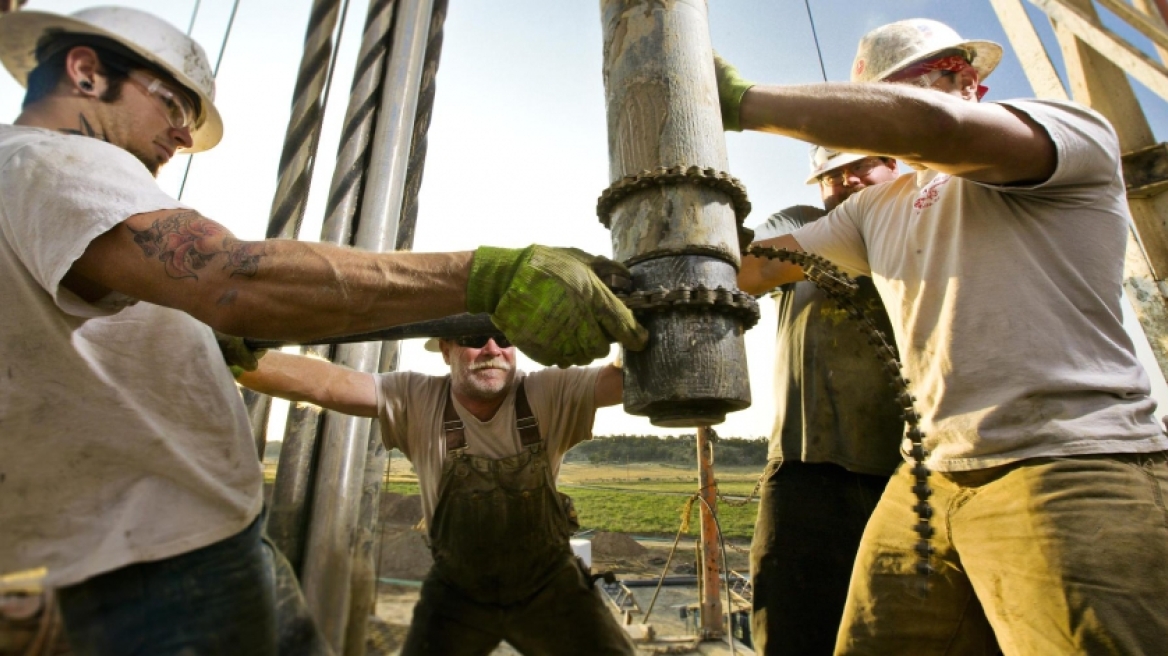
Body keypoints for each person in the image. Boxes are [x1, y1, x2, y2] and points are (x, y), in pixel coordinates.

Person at [0, 7, 645, 655]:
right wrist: (489, 276)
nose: (181, 133)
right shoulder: (54, 163)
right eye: (171, 103)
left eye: (189, 120)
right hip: (157, 573)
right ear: (86, 72)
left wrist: (200, 340)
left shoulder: (44, 191)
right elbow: (233, 280)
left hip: (181, 541)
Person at [719, 17, 1168, 655]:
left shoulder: (1066, 132)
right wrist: (629, 272)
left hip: (1066, 462)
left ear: (966, 79)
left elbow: (938, 128)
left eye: (912, 88)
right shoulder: (876, 207)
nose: (885, 115)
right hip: (928, 480)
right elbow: (755, 269)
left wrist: (743, 103)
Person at [237, 333, 636, 655]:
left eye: (503, 338)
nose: (492, 350)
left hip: (551, 589)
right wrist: (232, 355)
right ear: (446, 350)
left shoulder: (548, 391)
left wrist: (625, 328)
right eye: (474, 338)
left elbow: (624, 379)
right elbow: (325, 384)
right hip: (458, 595)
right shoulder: (417, 398)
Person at [747, 146, 902, 655]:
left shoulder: (920, 224)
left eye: (861, 167)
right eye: (833, 175)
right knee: (795, 630)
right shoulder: (805, 223)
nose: (848, 181)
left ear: (895, 165)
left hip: (910, 473)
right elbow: (747, 265)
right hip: (806, 468)